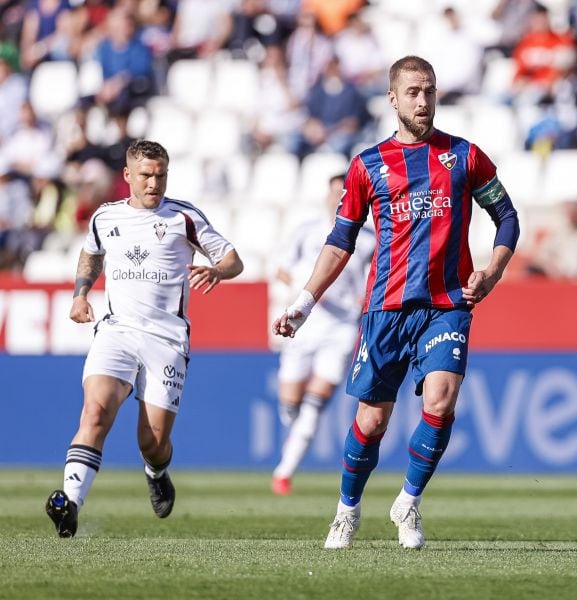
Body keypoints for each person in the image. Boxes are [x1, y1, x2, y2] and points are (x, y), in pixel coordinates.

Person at [273, 55, 519, 550]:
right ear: (393, 97)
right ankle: (347, 511)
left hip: (447, 304)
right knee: (372, 421)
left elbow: (507, 216)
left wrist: (491, 271)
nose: (423, 100)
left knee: (442, 400)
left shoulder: (465, 156)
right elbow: (340, 240)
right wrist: (304, 301)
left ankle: (408, 501)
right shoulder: (367, 165)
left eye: (429, 90)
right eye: (413, 92)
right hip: (386, 309)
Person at [44, 139, 244, 538]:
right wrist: (80, 293)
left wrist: (217, 272)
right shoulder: (105, 217)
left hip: (166, 340)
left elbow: (233, 258)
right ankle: (70, 504)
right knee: (95, 412)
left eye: (161, 175)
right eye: (147, 175)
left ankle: (157, 471)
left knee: (151, 441)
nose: (155, 183)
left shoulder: (184, 217)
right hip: (116, 331)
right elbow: (92, 252)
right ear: (128, 176)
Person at [271, 174, 375, 495]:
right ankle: (295, 436)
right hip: (306, 324)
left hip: (342, 327)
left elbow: (374, 280)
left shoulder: (370, 238)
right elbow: (282, 269)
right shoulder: (307, 232)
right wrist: (309, 288)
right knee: (290, 405)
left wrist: (360, 300)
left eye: (344, 195)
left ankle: (284, 473)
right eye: (334, 194)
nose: (339, 201)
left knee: (315, 403)